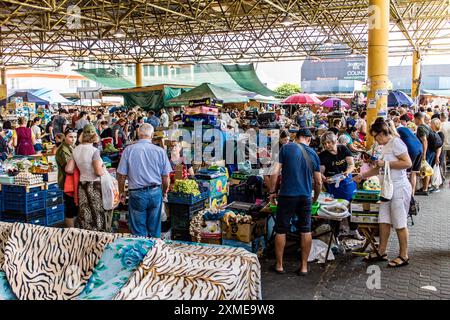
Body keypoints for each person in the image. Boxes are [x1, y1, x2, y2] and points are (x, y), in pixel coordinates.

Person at [354, 119, 412, 267]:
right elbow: (379, 168)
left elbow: (407, 163)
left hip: (399, 188)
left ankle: (404, 255)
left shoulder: (396, 143)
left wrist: (386, 164)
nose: (376, 140)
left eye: (377, 136)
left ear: (384, 133)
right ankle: (381, 251)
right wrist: (363, 175)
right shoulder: (384, 146)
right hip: (387, 189)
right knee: (384, 220)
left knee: (399, 222)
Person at [268, 129, 322, 276]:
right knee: (306, 229)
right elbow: (318, 182)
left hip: (286, 195)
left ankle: (279, 265)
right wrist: (315, 198)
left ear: (296, 137)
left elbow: (274, 172)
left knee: (281, 229)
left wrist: (272, 192)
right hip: (305, 197)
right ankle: (304, 267)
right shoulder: (313, 154)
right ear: (309, 139)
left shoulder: (286, 148)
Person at [117, 123, 172, 238]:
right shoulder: (160, 151)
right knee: (154, 230)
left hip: (136, 194)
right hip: (155, 192)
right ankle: (154, 253)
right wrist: (165, 191)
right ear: (152, 135)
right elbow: (166, 176)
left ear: (138, 133)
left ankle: (141, 254)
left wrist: (121, 191)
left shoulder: (128, 150)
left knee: (138, 232)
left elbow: (121, 176)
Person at [65, 124, 112, 232]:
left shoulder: (76, 149)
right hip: (94, 185)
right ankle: (99, 236)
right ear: (94, 136)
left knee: (85, 212)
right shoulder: (94, 151)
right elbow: (98, 172)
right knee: (97, 212)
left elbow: (69, 169)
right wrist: (103, 167)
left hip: (82, 184)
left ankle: (86, 236)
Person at [319, 132, 363, 240]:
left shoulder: (343, 149)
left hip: (347, 181)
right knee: (335, 209)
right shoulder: (323, 155)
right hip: (333, 185)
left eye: (329, 143)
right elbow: (321, 172)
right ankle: (335, 233)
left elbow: (351, 164)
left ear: (334, 141)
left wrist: (347, 172)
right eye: (324, 144)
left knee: (353, 205)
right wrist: (324, 178)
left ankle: (354, 230)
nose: (327, 146)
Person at [392, 117, 423, 196]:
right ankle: (412, 194)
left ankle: (407, 195)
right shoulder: (406, 129)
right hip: (419, 148)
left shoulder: (397, 130)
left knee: (407, 174)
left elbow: (395, 139)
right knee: (413, 173)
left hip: (412, 150)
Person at [55, 129, 78, 228]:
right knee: (70, 207)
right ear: (65, 137)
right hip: (67, 182)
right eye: (70, 137)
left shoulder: (73, 147)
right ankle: (71, 231)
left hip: (75, 181)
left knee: (75, 207)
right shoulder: (62, 150)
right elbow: (68, 169)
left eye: (75, 137)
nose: (73, 139)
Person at [414, 112, 433, 195]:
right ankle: (426, 187)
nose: (414, 121)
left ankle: (424, 189)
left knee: (425, 169)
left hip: (426, 150)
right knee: (427, 168)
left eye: (414, 119)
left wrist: (424, 153)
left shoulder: (421, 128)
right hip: (431, 150)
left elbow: (424, 140)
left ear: (418, 118)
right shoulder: (427, 126)